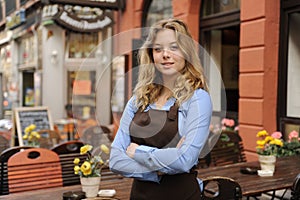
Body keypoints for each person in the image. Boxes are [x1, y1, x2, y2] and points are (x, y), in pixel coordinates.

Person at [109, 18, 212, 200]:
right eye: (158, 49)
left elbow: (184, 160)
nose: (165, 54)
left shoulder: (197, 99)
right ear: (151, 55)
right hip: (139, 196)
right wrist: (157, 170)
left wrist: (138, 151)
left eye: (174, 47)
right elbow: (116, 160)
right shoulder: (138, 100)